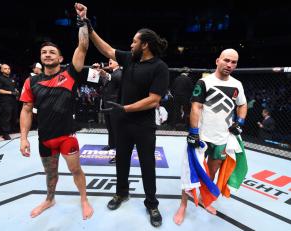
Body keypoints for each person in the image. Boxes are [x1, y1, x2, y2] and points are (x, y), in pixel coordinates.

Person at [76, 4, 169, 227]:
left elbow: (154, 99)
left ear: (145, 45)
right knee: (121, 161)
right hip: (124, 122)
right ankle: (121, 193)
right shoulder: (130, 59)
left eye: (135, 42)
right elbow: (107, 49)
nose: (131, 44)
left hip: (144, 124)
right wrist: (87, 24)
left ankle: (152, 203)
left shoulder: (160, 67)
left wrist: (127, 108)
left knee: (148, 164)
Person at [19, 3, 93, 219]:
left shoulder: (70, 73)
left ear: (60, 58)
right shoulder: (31, 82)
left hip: (66, 136)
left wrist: (82, 20)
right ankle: (49, 199)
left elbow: (83, 46)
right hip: (45, 138)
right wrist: (23, 138)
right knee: (50, 174)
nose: (47, 54)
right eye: (44, 52)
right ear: (41, 58)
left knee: (75, 170)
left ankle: (84, 199)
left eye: (52, 52)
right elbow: (26, 109)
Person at [173, 48, 247, 225]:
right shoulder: (204, 82)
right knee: (189, 172)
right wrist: (193, 132)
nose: (229, 65)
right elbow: (196, 107)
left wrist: (240, 122)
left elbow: (242, 105)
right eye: (226, 60)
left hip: (222, 138)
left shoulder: (237, 85)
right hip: (201, 137)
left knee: (211, 173)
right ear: (217, 61)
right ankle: (183, 205)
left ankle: (207, 200)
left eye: (234, 62)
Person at [93, 59, 122, 164]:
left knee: (117, 130)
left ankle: (120, 155)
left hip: (115, 105)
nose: (109, 60)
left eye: (112, 59)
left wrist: (104, 73)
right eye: (109, 59)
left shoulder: (120, 72)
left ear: (118, 62)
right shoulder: (110, 73)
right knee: (110, 127)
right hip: (107, 104)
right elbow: (95, 81)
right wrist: (96, 71)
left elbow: (117, 79)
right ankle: (112, 144)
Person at [0, 64, 19, 140]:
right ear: (2, 70)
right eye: (5, 69)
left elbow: (14, 88)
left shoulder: (12, 79)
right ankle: (4, 133)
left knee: (14, 116)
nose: (8, 70)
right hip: (5, 101)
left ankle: (10, 130)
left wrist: (16, 92)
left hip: (13, 100)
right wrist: (10, 93)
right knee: (6, 117)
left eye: (8, 68)